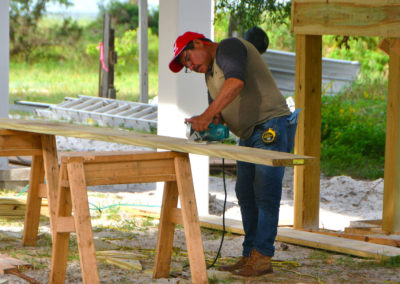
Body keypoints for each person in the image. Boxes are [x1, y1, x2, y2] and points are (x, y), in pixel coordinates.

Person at [168, 30, 298, 277]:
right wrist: (211, 119)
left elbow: (236, 82)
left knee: (265, 193)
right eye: (186, 65)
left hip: (269, 126)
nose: (191, 66)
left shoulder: (227, 48)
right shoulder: (209, 75)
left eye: (188, 59)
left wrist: (206, 117)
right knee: (245, 192)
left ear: (198, 43)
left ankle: (262, 257)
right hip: (249, 133)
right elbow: (219, 111)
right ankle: (250, 254)